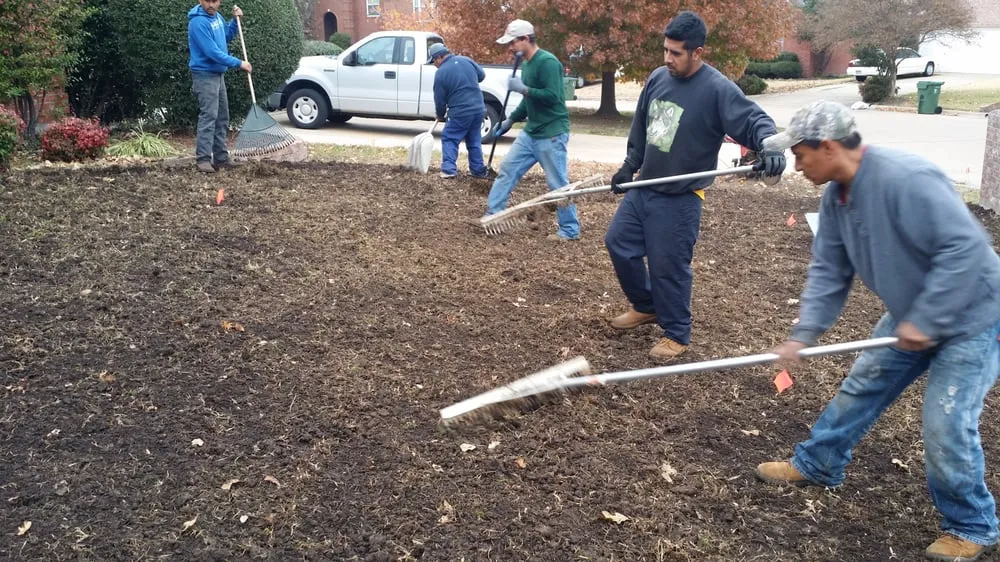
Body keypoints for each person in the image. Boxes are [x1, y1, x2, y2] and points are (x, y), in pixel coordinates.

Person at [755, 100, 1000, 562]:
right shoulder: (836, 198)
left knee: (946, 422)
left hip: (973, 317)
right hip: (913, 312)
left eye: (800, 155)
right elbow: (830, 270)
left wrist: (926, 320)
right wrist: (804, 332)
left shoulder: (907, 179)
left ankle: (972, 524)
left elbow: (965, 250)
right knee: (862, 385)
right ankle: (819, 463)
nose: (797, 165)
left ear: (828, 147)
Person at [604, 11, 786, 360]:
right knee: (619, 243)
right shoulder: (658, 78)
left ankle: (677, 332)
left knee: (668, 265)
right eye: (665, 50)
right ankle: (646, 305)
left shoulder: (716, 89)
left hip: (680, 195)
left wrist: (770, 147)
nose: (667, 58)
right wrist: (629, 165)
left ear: (697, 52)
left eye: (676, 53)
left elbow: (754, 120)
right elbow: (642, 126)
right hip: (645, 187)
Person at [484, 19, 579, 241]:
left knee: (557, 184)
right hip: (531, 132)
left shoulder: (548, 62)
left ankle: (569, 229)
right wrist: (510, 120)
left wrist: (524, 89)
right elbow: (529, 102)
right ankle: (493, 215)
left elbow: (554, 97)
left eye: (513, 43)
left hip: (552, 133)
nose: (510, 48)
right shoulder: (526, 64)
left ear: (526, 39)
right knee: (508, 169)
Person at [187, 0, 252, 173]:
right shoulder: (198, 23)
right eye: (207, 1)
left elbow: (226, 37)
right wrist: (239, 63)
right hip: (204, 74)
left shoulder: (217, 17)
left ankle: (221, 158)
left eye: (214, 1)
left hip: (218, 74)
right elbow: (212, 52)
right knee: (209, 116)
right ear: (200, 0)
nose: (211, 5)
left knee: (222, 116)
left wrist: (235, 22)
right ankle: (203, 160)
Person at [428, 43, 489, 179]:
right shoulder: (466, 60)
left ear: (439, 57)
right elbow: (481, 75)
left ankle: (449, 170)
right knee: (474, 139)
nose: (434, 65)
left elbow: (439, 99)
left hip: (460, 111)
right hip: (478, 108)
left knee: (450, 137)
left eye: (433, 61)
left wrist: (439, 114)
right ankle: (478, 170)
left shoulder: (441, 73)